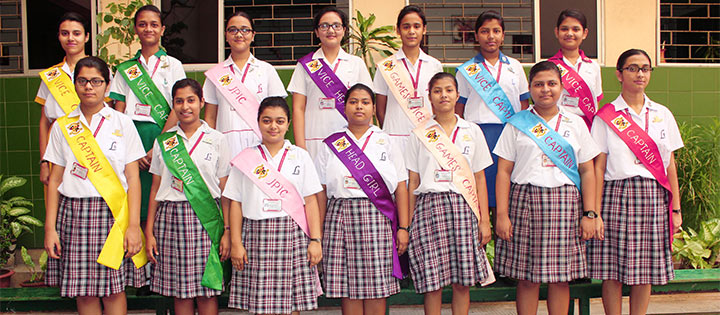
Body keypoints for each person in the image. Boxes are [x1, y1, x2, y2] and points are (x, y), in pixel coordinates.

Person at [43, 56, 148, 315]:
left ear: (107, 84)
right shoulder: (63, 126)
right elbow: (55, 180)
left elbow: (133, 179)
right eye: (82, 81)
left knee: (113, 289)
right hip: (74, 215)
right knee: (85, 292)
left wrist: (134, 226)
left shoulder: (122, 123)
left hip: (113, 215)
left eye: (96, 81)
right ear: (75, 84)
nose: (89, 87)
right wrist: (50, 228)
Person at [493, 61, 599, 315]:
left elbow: (587, 170)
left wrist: (590, 213)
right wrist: (502, 214)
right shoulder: (517, 123)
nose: (545, 90)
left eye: (552, 84)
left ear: (561, 87)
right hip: (525, 202)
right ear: (529, 88)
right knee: (527, 277)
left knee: (560, 277)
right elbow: (504, 171)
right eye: (538, 84)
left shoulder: (575, 123)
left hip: (565, 204)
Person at [588, 49, 683, 315]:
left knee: (645, 269)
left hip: (653, 196)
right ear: (619, 74)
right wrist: (593, 212)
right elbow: (599, 166)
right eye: (632, 68)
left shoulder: (662, 113)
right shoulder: (606, 116)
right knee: (612, 269)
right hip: (616, 194)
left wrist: (675, 208)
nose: (640, 73)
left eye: (645, 68)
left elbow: (669, 164)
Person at [315, 84, 409, 314]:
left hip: (377, 218)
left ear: (374, 108)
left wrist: (404, 227)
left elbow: (401, 187)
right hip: (339, 217)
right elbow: (320, 192)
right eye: (353, 101)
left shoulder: (386, 140)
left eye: (365, 102)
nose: (359, 106)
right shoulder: (331, 144)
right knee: (348, 287)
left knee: (377, 286)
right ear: (344, 107)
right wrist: (318, 233)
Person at [224, 97, 324, 314]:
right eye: (267, 120)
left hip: (293, 236)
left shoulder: (301, 156)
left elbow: (310, 201)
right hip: (255, 237)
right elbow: (236, 204)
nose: (273, 126)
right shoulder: (246, 159)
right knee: (258, 305)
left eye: (280, 121)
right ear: (258, 122)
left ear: (288, 124)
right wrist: (236, 243)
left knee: (292, 304)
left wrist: (315, 240)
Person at [405, 72, 494, 314]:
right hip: (428, 209)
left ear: (456, 94)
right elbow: (413, 180)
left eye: (448, 90)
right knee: (431, 283)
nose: (443, 95)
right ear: (429, 96)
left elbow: (479, 179)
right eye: (437, 91)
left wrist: (484, 221)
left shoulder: (472, 131)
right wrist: (408, 223)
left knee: (462, 282)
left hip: (464, 208)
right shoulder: (419, 133)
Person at [145, 79, 231, 315]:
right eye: (179, 101)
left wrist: (227, 230)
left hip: (207, 220)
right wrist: (149, 230)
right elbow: (154, 189)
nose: (185, 106)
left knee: (207, 288)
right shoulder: (164, 141)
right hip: (171, 219)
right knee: (180, 293)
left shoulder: (217, 139)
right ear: (173, 105)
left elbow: (225, 189)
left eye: (191, 100)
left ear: (202, 102)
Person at [109, 4, 187, 222]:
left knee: (162, 190)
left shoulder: (174, 65)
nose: (148, 29)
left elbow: (178, 107)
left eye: (154, 25)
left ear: (162, 29)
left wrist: (158, 144)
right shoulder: (126, 69)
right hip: (131, 135)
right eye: (142, 24)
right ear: (135, 29)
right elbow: (119, 110)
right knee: (134, 192)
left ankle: (158, 242)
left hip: (164, 134)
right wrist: (128, 146)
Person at [455, 10, 531, 209]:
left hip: (509, 135)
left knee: (505, 195)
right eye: (485, 31)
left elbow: (524, 104)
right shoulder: (467, 70)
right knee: (478, 194)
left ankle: (503, 237)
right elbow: (459, 108)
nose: (491, 36)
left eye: (496, 31)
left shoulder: (515, 67)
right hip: (477, 136)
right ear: (476, 35)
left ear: (503, 35)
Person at [287, 6, 373, 158]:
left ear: (344, 30)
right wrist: (301, 147)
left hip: (349, 141)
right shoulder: (305, 65)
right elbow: (298, 108)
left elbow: (367, 106)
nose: (331, 30)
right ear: (316, 32)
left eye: (336, 26)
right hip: (314, 139)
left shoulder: (356, 63)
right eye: (324, 26)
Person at [203, 11, 288, 158]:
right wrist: (211, 146)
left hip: (261, 143)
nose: (239, 34)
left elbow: (278, 111)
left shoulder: (266, 70)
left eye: (245, 29)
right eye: (233, 30)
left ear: (253, 35)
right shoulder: (215, 74)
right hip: (226, 145)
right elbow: (210, 117)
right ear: (226, 35)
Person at [373, 5, 443, 150]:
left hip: (427, 137)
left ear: (424, 29)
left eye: (416, 26)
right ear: (398, 30)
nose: (411, 31)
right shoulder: (386, 66)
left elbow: (438, 104)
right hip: (394, 137)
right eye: (406, 27)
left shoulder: (434, 65)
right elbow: (380, 108)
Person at [36, 12, 91, 185]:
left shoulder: (101, 71)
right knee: (55, 202)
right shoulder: (51, 76)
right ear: (59, 37)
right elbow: (44, 122)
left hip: (90, 150)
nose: (70, 39)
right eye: (65, 33)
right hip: (57, 151)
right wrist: (44, 162)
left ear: (86, 37)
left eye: (76, 33)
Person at [549, 9, 603, 128]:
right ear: (557, 32)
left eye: (576, 29)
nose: (569, 33)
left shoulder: (593, 67)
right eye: (564, 29)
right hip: (557, 125)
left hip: (587, 126)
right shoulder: (549, 67)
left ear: (584, 33)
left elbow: (596, 101)